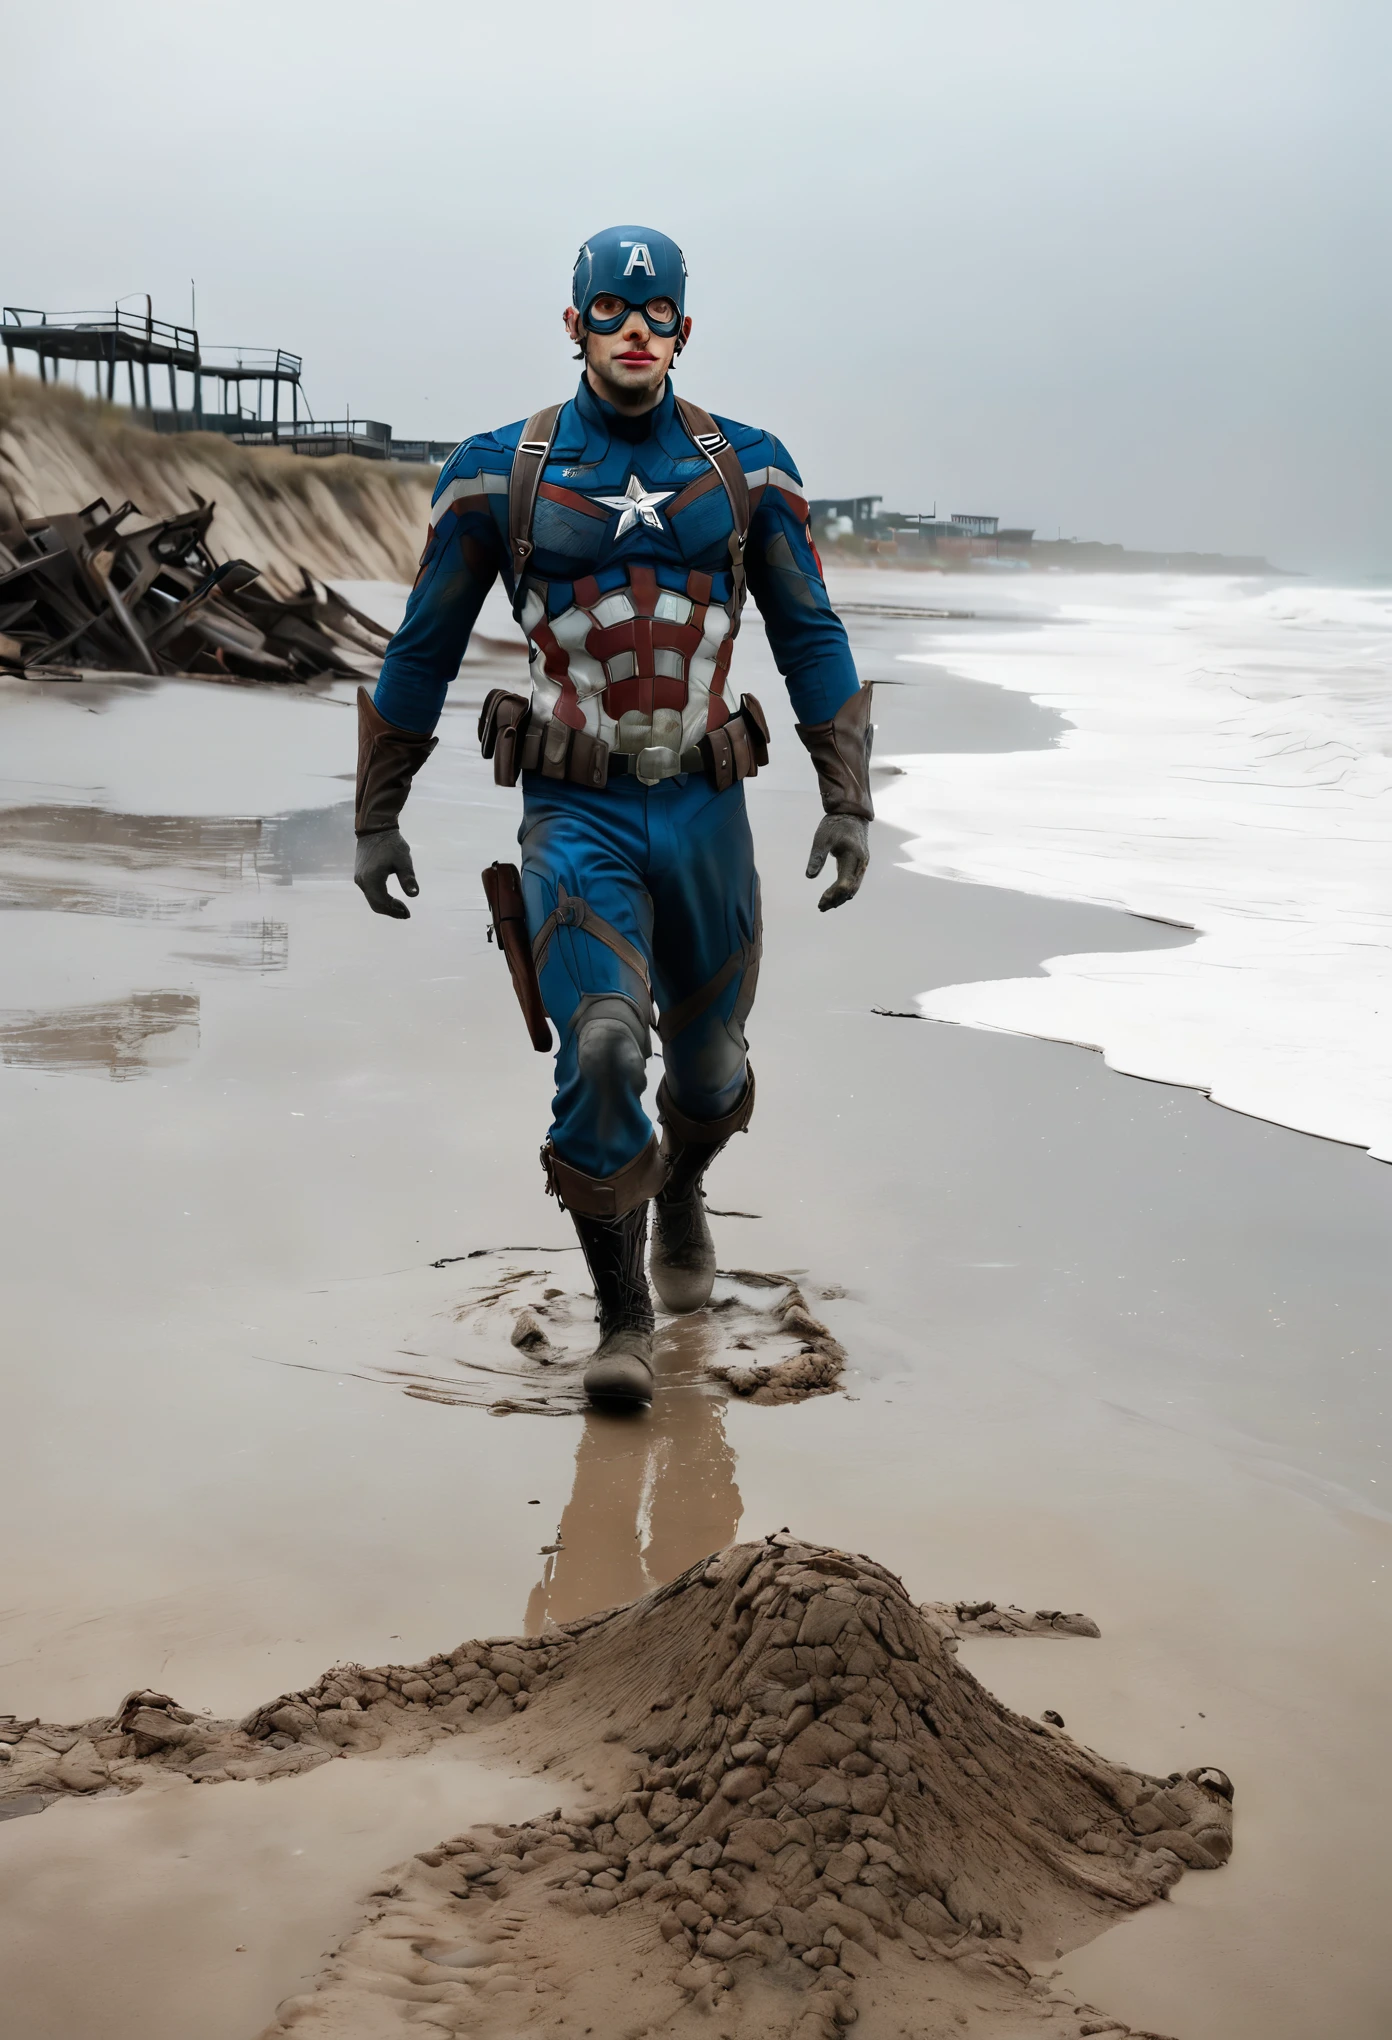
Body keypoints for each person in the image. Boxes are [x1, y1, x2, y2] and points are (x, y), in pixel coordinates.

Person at [354, 225, 872, 1409]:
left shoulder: (750, 469)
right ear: (573, 323)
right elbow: (423, 646)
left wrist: (848, 796)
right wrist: (376, 815)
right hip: (574, 813)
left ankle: (681, 1185)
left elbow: (810, 637)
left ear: (685, 331)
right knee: (598, 1047)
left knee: (709, 1068)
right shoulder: (503, 474)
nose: (632, 334)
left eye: (654, 318)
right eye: (608, 314)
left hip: (706, 813)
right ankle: (623, 1317)